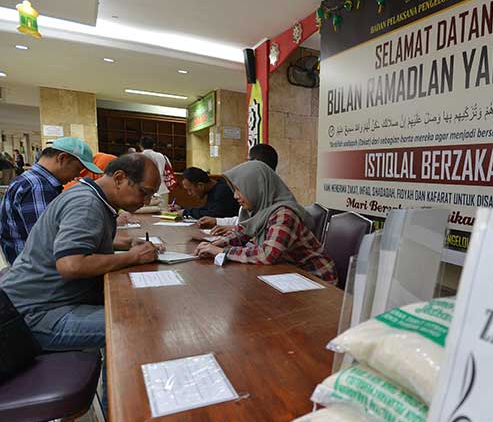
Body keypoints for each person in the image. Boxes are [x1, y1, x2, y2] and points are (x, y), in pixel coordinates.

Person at [0, 154, 162, 350]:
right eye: (144, 192)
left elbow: (78, 239)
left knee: (133, 305)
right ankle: (118, 380)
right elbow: (71, 265)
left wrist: (126, 243)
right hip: (36, 313)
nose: (146, 201)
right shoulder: (87, 204)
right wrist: (134, 257)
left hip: (39, 302)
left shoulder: (88, 196)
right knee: (139, 323)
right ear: (119, 178)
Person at [194, 161, 336, 284]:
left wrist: (221, 251)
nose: (235, 196)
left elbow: (267, 254)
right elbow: (241, 232)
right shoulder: (259, 209)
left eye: (239, 189)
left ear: (257, 187)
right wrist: (215, 244)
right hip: (289, 273)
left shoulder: (284, 214)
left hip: (316, 279)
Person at [0, 137, 101, 264]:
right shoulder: (38, 186)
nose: (76, 176)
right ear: (62, 158)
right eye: (77, 168)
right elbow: (48, 241)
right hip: (36, 271)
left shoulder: (32, 180)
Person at [196, 143, 280, 231]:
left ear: (257, 163)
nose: (235, 196)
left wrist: (233, 230)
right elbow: (244, 221)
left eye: (248, 161)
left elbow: (255, 230)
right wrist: (217, 221)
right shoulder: (254, 192)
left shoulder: (278, 208)